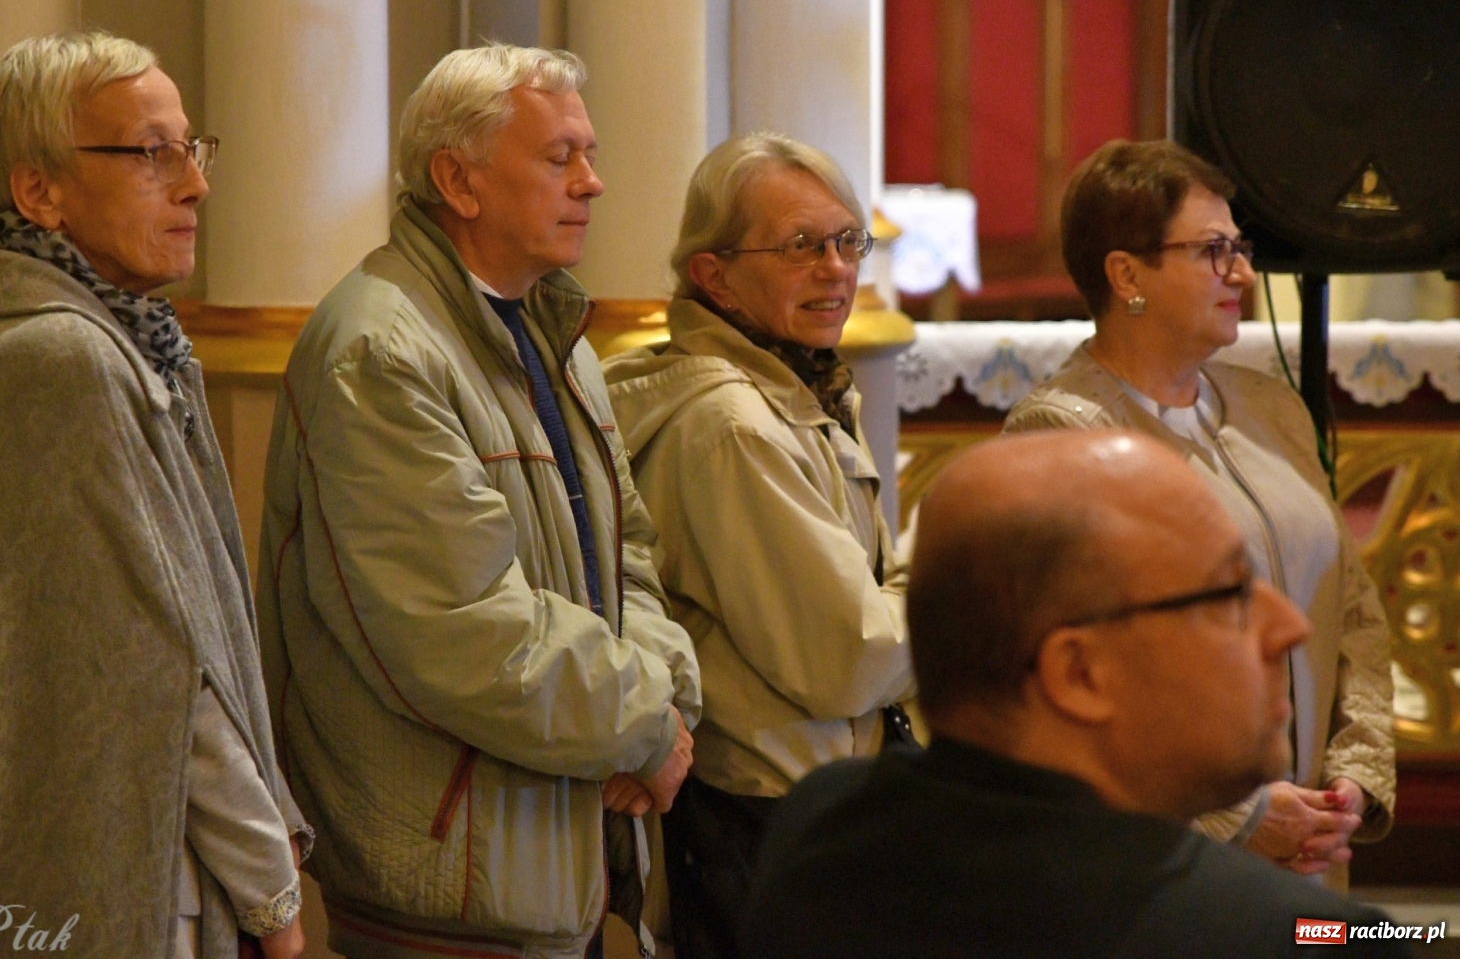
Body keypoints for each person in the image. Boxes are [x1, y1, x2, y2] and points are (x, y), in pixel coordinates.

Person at [0, 32, 308, 959]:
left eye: (192, 147)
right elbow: (166, 666)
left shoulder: (99, 342)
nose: (194, 183)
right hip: (127, 877)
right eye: (152, 153)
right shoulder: (61, 359)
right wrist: (272, 890)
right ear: (39, 193)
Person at [256, 44, 701, 959]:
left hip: (549, 849)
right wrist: (644, 725)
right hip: (445, 879)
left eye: (589, 152)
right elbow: (458, 627)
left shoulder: (553, 333)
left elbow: (627, 555)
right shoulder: (379, 351)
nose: (594, 182)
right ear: (458, 180)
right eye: (559, 157)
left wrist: (663, 705)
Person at [743, 431, 1415, 959]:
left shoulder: (819, 824)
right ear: (1079, 674)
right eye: (1230, 594)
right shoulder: (1304, 937)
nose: (1290, 627)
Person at [1003, 139, 1394, 885]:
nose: (1243, 273)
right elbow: (1066, 682)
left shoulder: (1271, 409)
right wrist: (1236, 817)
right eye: (1214, 251)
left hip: (1312, 848)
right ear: (1127, 275)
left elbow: (1354, 608)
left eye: (1239, 247)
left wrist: (1353, 780)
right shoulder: (1067, 433)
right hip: (1172, 864)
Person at [602, 132, 915, 959]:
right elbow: (845, 656)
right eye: (801, 246)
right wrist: (964, 595)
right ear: (714, 275)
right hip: (770, 822)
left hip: (814, 811)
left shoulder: (799, 387)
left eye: (849, 242)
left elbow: (872, 587)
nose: (836, 268)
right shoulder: (732, 426)